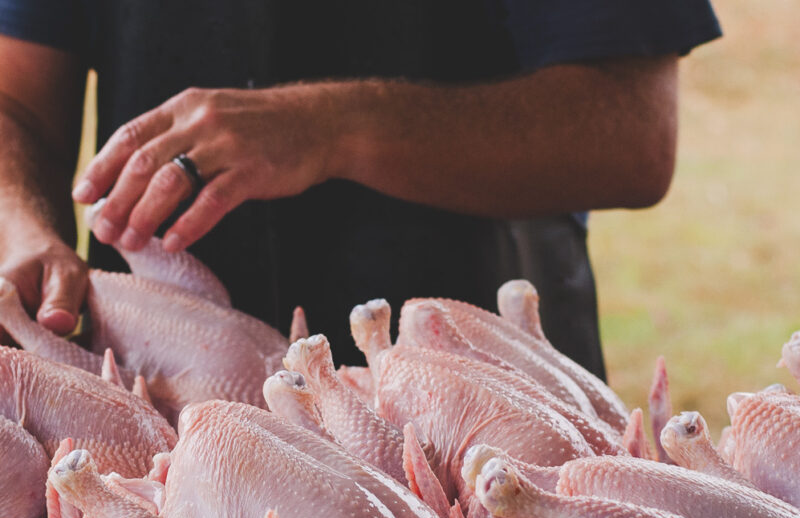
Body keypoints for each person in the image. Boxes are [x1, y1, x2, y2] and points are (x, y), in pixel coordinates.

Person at [0, 2, 721, 378]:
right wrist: (26, 231)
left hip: (483, 438)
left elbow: (631, 134)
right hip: (162, 423)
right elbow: (17, 103)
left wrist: (335, 127)